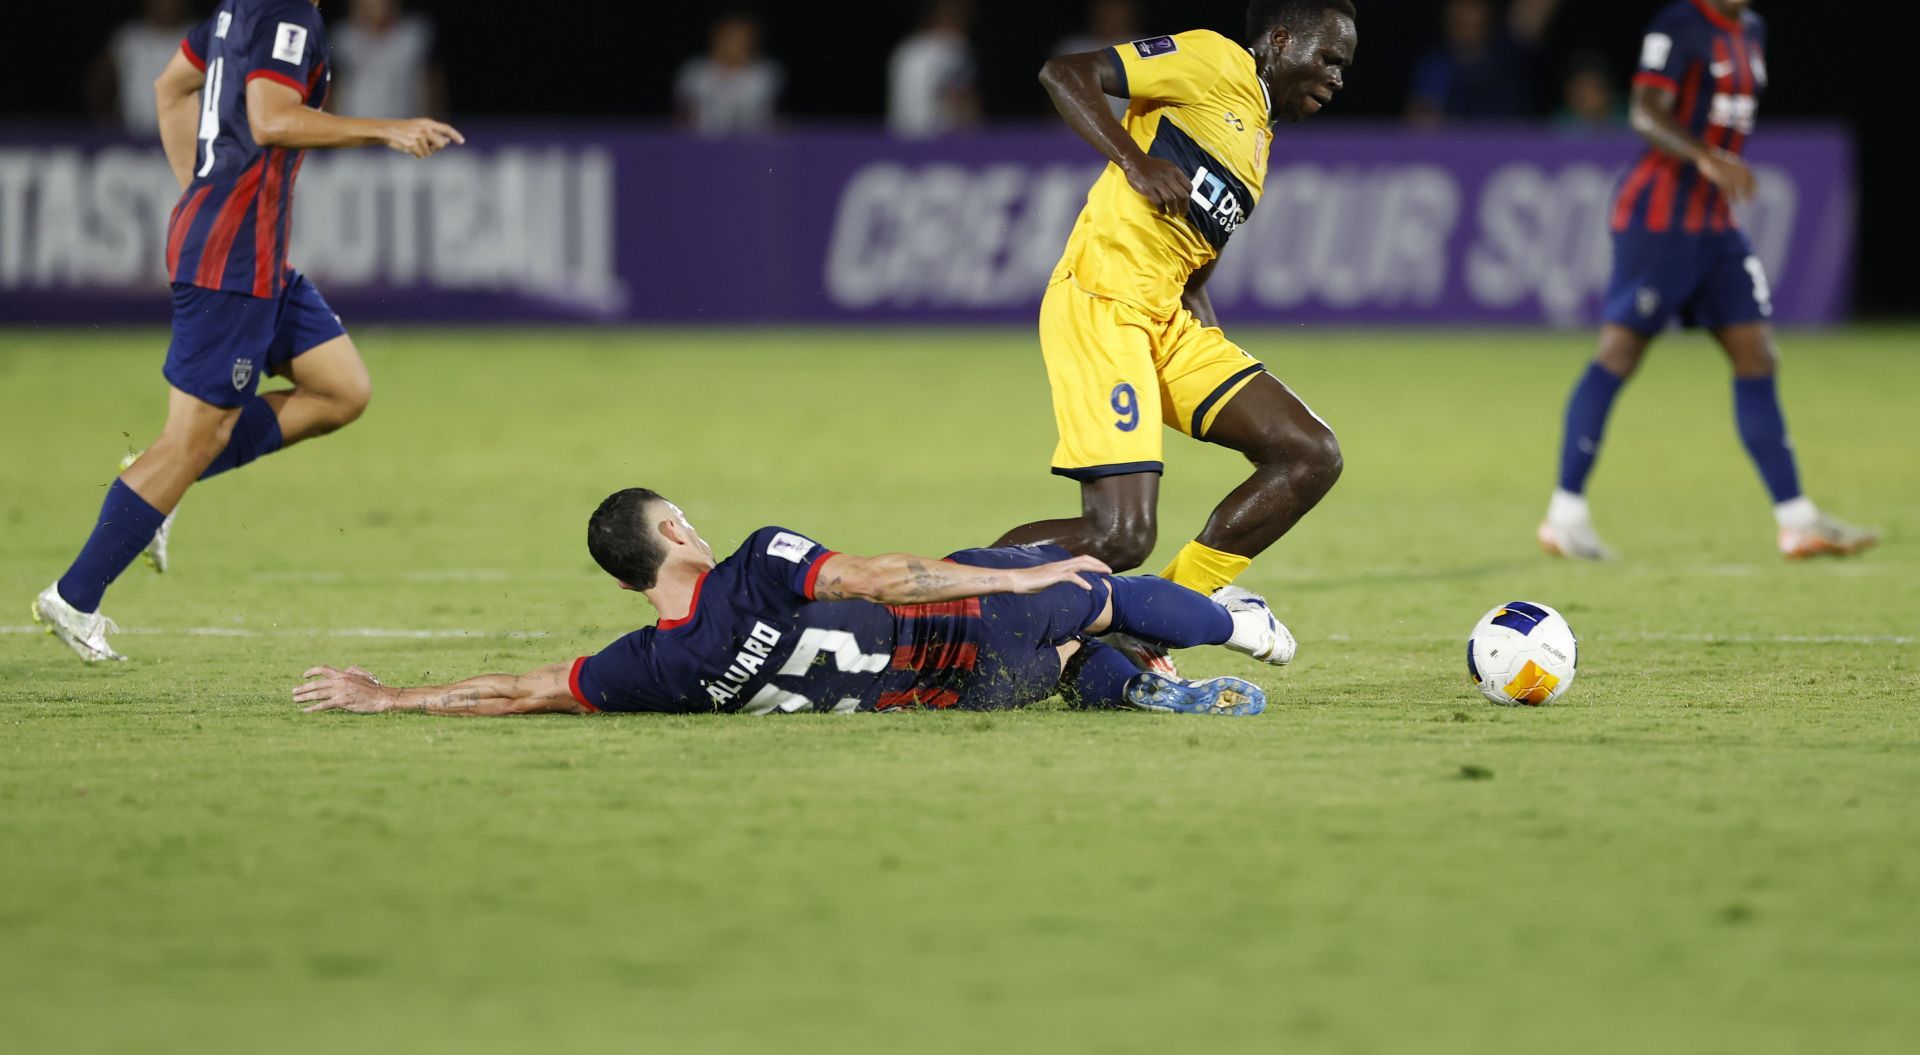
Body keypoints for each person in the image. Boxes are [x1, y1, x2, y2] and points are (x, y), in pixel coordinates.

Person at [30, 0, 465, 663]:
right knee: (191, 440)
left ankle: (161, 479)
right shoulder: (287, 12)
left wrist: (196, 186)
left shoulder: (243, 3)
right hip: (232, 260)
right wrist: (385, 128)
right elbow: (268, 119)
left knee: (342, 390)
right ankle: (74, 596)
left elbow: (171, 88)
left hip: (251, 254)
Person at [993, 0, 1357, 612]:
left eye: (1343, 67)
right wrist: (1135, 162)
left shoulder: (1258, 139)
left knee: (1309, 455)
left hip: (1165, 320)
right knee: (1119, 535)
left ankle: (1164, 614)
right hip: (1104, 299)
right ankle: (932, 605)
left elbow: (1196, 260)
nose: (1336, 77)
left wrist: (1213, 342)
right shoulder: (1214, 62)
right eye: (1328, 58)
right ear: (1279, 40)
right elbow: (1065, 73)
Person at [292, 488, 1295, 718]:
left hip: (962, 696)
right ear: (675, 532)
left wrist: (389, 696)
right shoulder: (756, 564)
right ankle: (1241, 623)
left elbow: (519, 690)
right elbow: (882, 575)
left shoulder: (653, 665)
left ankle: (1132, 694)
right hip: (968, 626)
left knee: (1078, 658)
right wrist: (1020, 572)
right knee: (1092, 589)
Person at [1538, 0, 1876, 561]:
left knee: (1758, 356)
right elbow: (1644, 109)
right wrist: (1704, 157)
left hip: (1715, 225)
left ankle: (1796, 517)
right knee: (1618, 354)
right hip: (1659, 219)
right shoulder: (1679, 26)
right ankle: (1565, 513)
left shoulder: (1752, 30)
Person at [1406, 0, 1584, 125]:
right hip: (1459, 152)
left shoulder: (1505, 52)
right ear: (1449, 21)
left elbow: (1532, 12)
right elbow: (1421, 121)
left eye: (1476, 18)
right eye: (1461, 19)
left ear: (1488, 19)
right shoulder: (1437, 65)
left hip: (1516, 151)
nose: (1469, 24)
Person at [328, 0, 447, 120]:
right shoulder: (342, 37)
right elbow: (330, 88)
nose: (377, 4)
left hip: (404, 130)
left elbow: (433, 85)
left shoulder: (414, 35)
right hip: (354, 132)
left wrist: (434, 122)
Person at [88, 0, 196, 136]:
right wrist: (106, 121)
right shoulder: (130, 37)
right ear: (149, 1)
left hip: (184, 135)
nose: (166, 5)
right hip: (133, 134)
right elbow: (98, 82)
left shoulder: (198, 37)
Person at [886, 0, 980, 137]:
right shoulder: (955, 48)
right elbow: (962, 105)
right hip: (940, 142)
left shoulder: (904, 50)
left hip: (900, 142)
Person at [672, 11, 783, 134]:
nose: (735, 43)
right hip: (703, 145)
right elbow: (683, 119)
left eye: (743, 38)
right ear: (716, 37)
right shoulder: (695, 72)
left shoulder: (765, 73)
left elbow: (774, 118)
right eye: (730, 37)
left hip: (752, 145)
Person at [1053, 0, 1145, 120]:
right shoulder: (1071, 47)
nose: (1111, 18)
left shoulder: (1143, 47)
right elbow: (1056, 96)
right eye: (1106, 12)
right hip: (1079, 131)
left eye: (1117, 12)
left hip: (1134, 131)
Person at [1552, 50, 1626, 132]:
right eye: (1581, 88)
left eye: (1595, 87)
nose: (1589, 95)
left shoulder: (1628, 119)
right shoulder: (1557, 125)